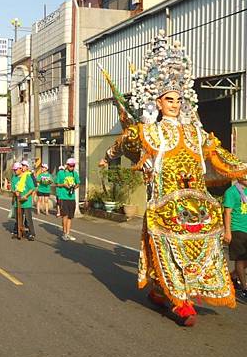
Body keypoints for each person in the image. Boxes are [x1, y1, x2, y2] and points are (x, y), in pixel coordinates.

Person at [98, 31, 247, 326]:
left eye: (179, 99)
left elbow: (218, 154)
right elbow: (125, 141)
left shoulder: (194, 131)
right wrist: (107, 157)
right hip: (165, 207)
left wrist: (242, 166)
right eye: (169, 99)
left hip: (197, 207)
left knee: (200, 248)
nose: (175, 104)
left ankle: (167, 290)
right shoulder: (148, 131)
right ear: (158, 101)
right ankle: (179, 300)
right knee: (168, 249)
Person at [223, 177, 247, 301]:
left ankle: (232, 276)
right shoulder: (231, 192)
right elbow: (227, 213)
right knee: (240, 259)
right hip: (237, 229)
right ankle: (244, 289)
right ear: (239, 177)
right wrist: (227, 232)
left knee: (244, 259)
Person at [55, 158, 80, 241]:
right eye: (70, 165)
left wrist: (74, 187)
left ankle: (68, 233)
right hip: (63, 197)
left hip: (71, 197)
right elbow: (57, 184)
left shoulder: (74, 173)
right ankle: (64, 233)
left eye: (73, 166)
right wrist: (64, 185)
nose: (72, 167)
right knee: (64, 215)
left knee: (70, 216)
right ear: (67, 165)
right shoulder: (61, 173)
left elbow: (78, 183)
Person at [12, 162, 37, 241]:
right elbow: (12, 188)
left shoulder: (27, 176)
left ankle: (31, 233)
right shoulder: (14, 178)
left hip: (26, 201)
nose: (15, 171)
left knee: (28, 219)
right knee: (18, 218)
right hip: (17, 201)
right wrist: (14, 192)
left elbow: (32, 188)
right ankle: (18, 232)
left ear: (20, 169)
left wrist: (26, 195)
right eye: (14, 170)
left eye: (16, 169)